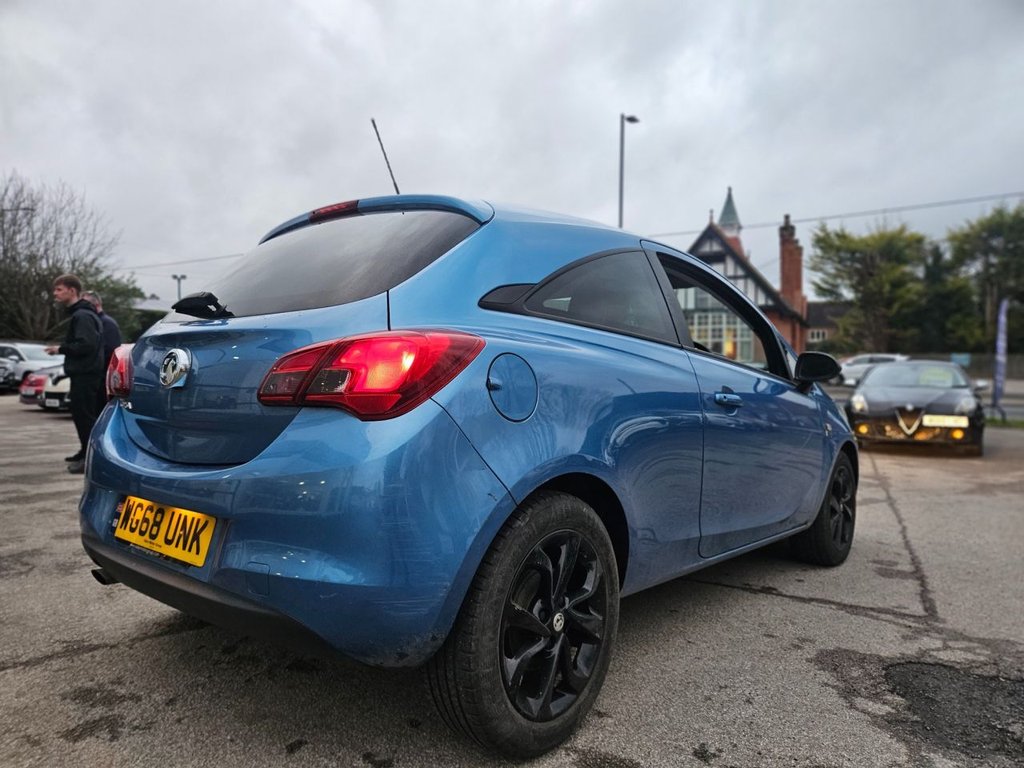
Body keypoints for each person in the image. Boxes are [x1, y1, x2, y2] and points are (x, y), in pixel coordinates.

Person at [45, 275, 104, 474]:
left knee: (84, 416)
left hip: (85, 374)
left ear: (72, 290)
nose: (55, 294)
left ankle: (90, 458)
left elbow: (85, 345)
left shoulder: (82, 316)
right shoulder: (83, 314)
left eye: (59, 290)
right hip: (84, 373)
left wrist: (61, 349)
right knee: (81, 415)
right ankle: (84, 452)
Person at [82, 290, 123, 412]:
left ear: (97, 304)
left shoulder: (106, 323)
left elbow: (110, 351)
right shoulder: (96, 322)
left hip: (102, 378)